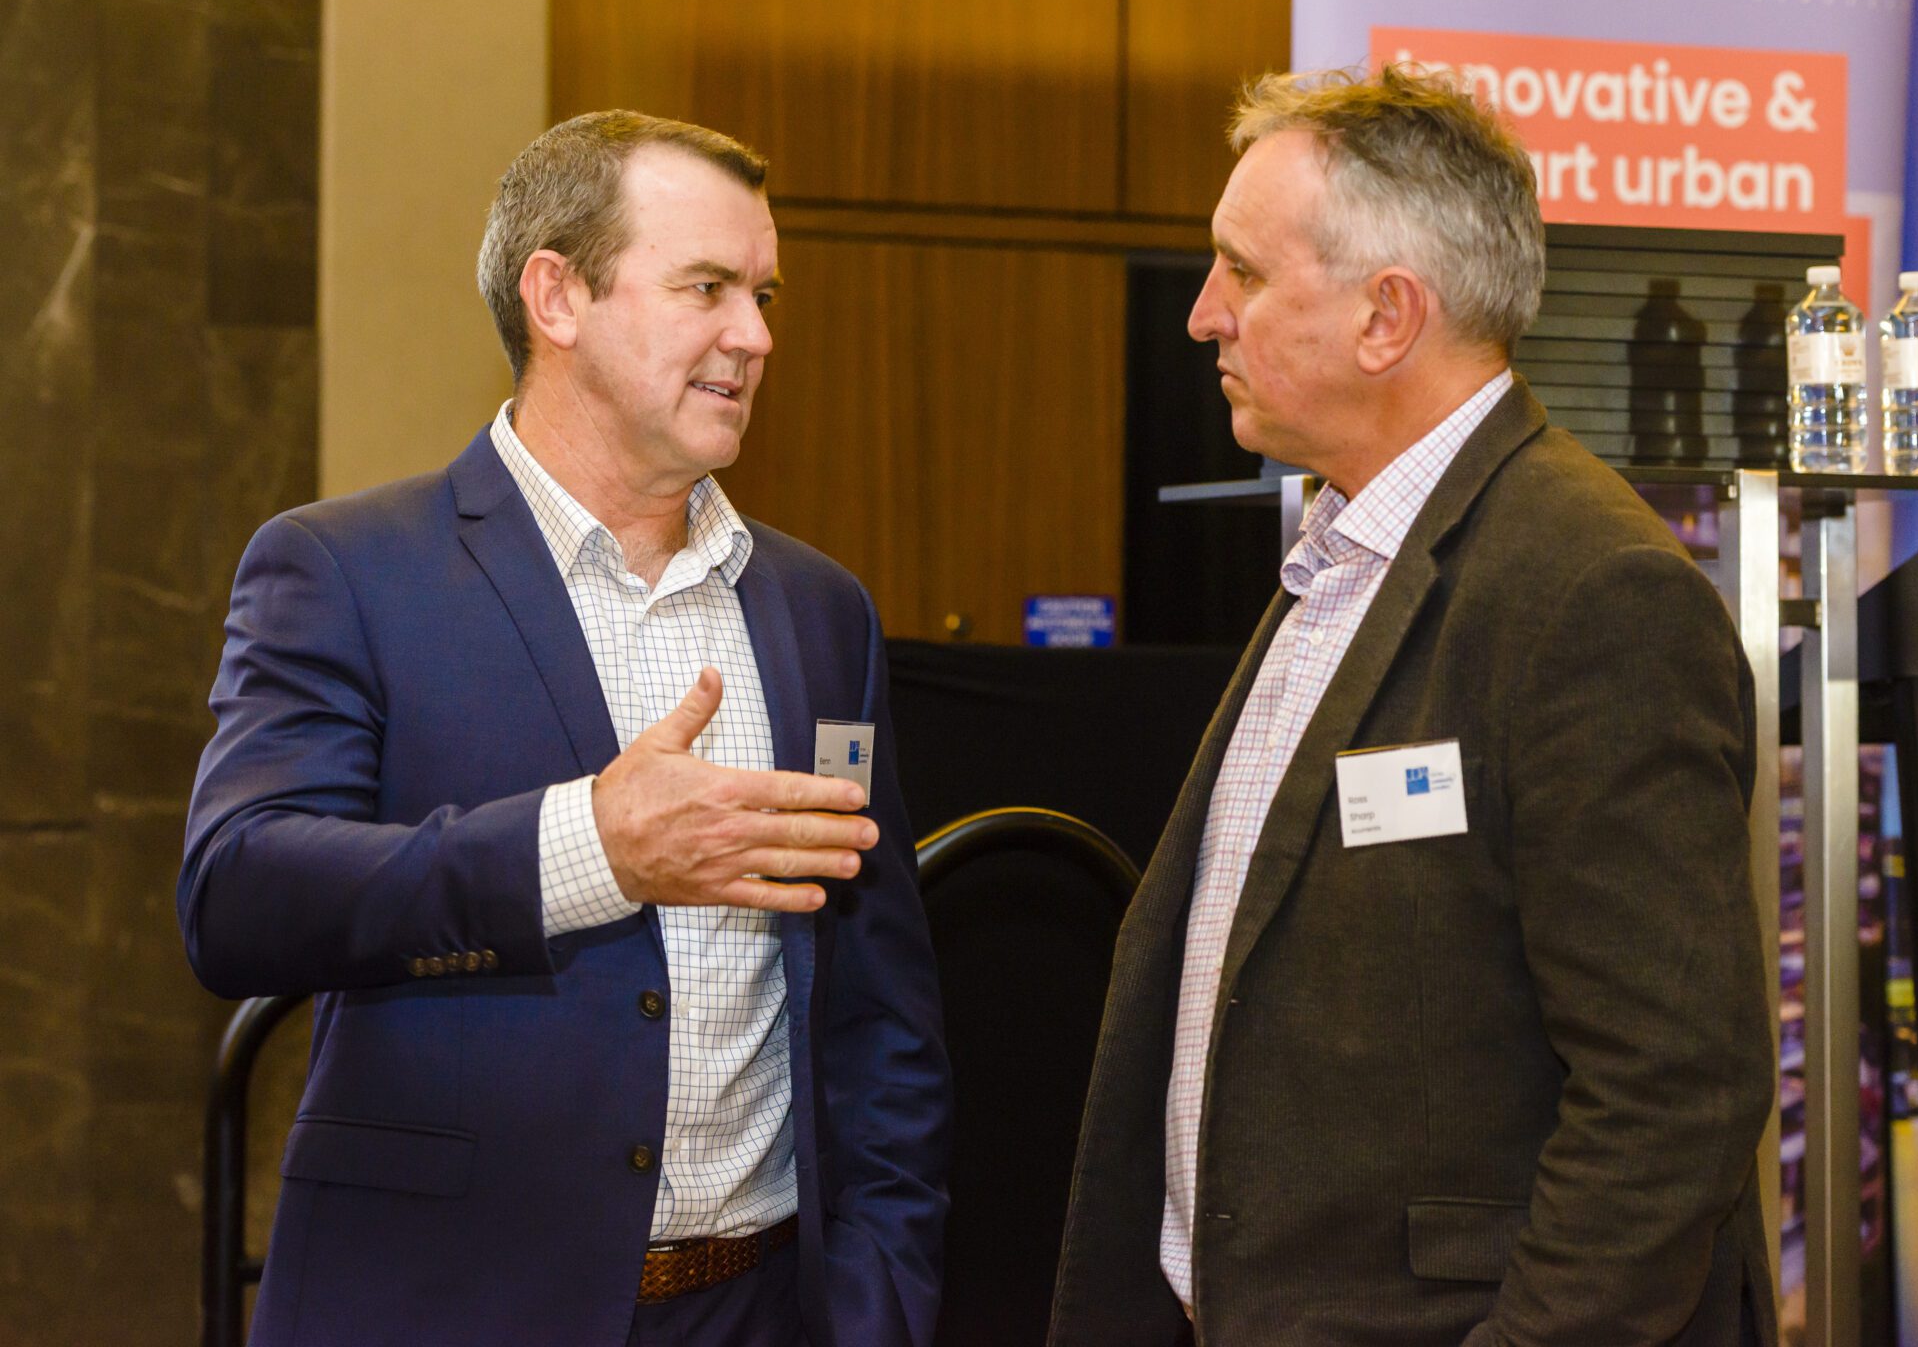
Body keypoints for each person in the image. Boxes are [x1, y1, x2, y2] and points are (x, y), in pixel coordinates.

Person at [181, 111, 949, 1347]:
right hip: (452, 1311)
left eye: (761, 295)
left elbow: (879, 1009)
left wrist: (877, 1298)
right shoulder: (344, 570)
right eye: (705, 287)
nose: (754, 336)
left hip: (761, 1311)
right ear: (557, 297)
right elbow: (237, 894)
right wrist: (588, 847)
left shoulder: (820, 611)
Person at [1049, 66, 1775, 1346]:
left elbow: (1671, 1099)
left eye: (1243, 273)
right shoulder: (1343, 558)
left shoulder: (1590, 592)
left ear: (1385, 317)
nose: (1204, 316)